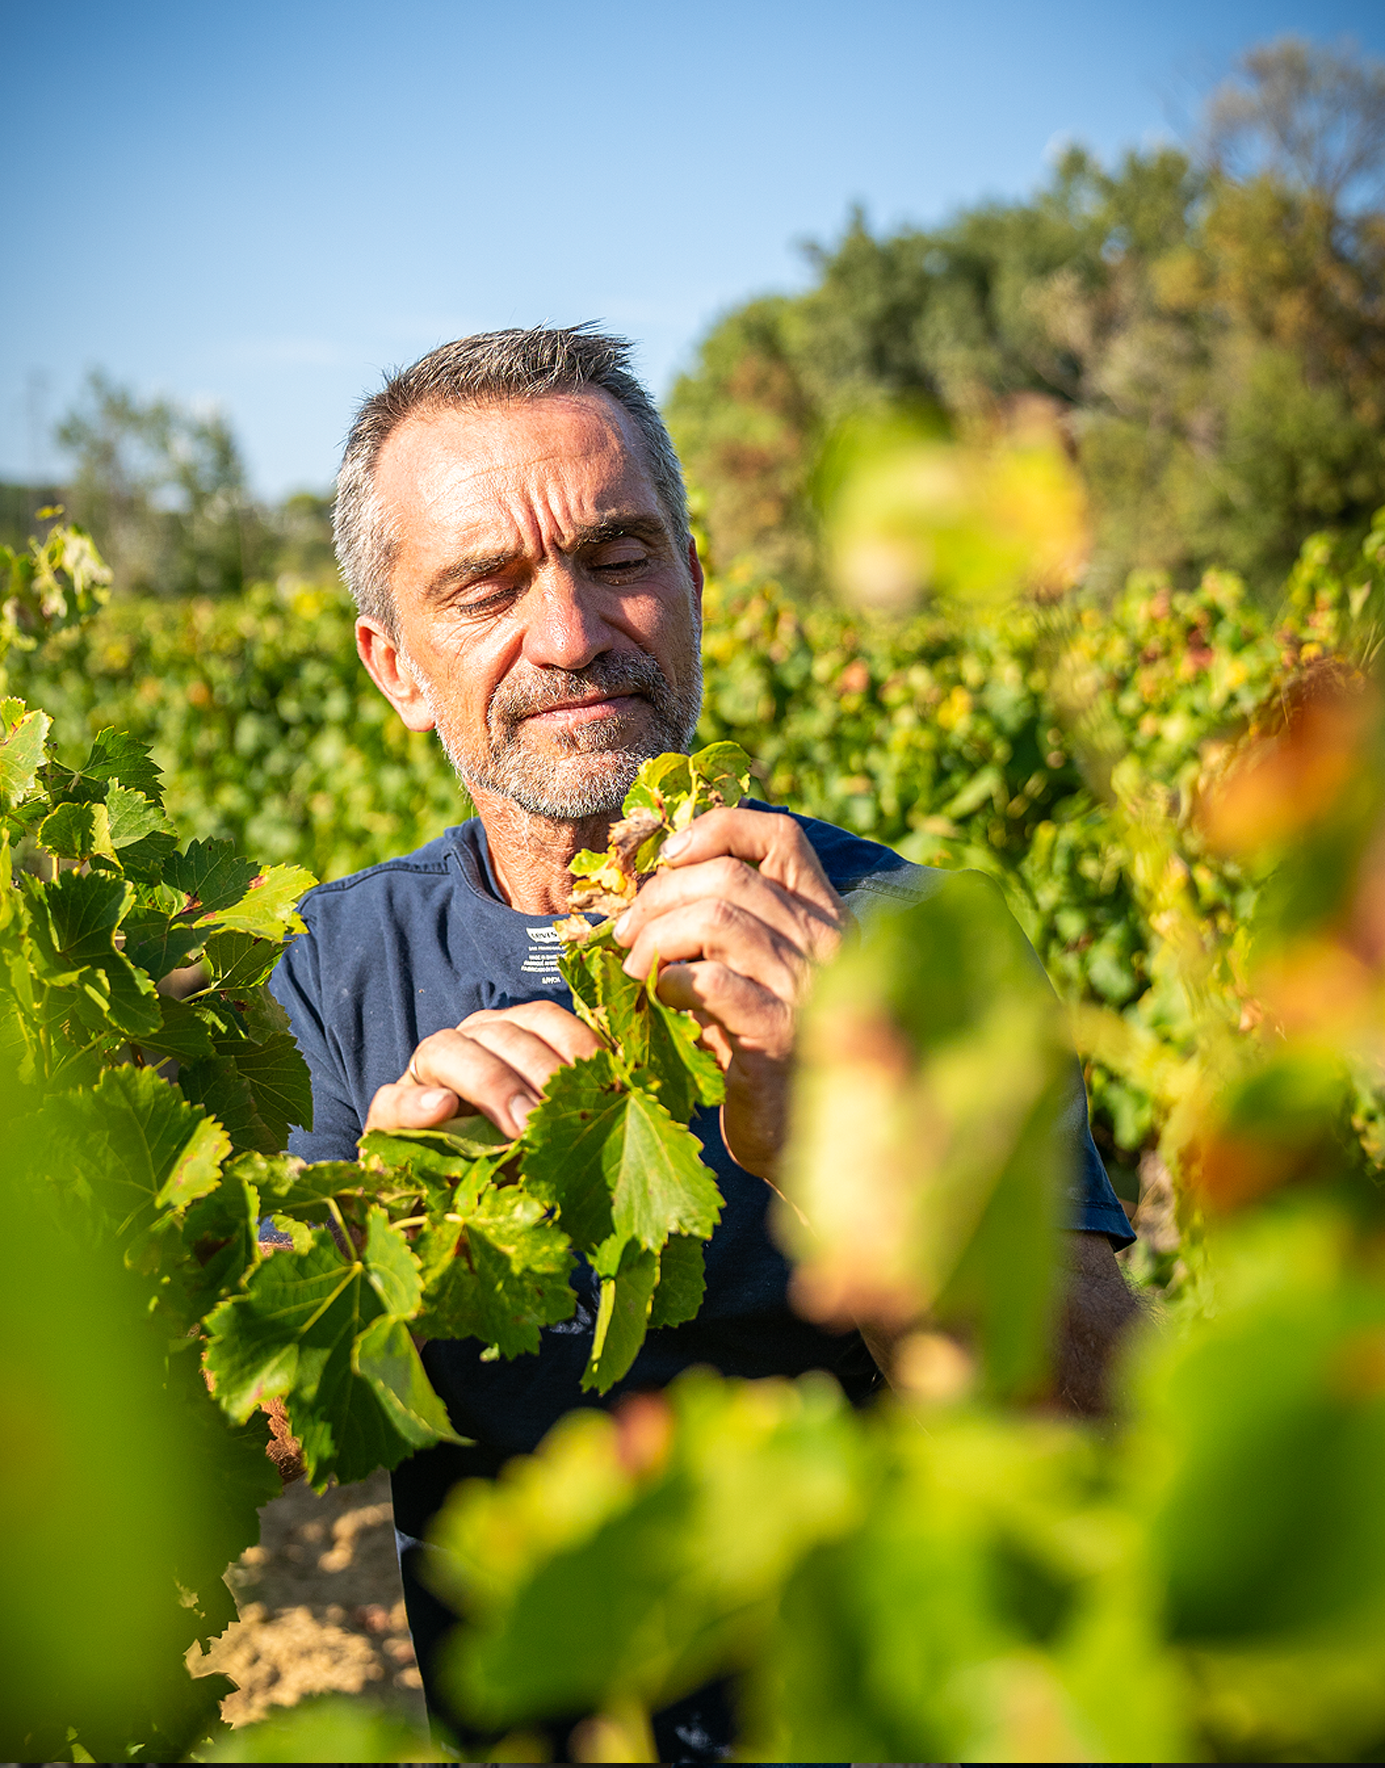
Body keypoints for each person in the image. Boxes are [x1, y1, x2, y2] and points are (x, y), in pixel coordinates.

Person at [270, 324, 1136, 1760]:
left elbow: (1109, 1420)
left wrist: (856, 1140)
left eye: (618, 556)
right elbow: (262, 1454)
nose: (571, 633)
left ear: (695, 578)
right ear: (395, 668)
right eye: (486, 587)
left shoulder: (914, 934)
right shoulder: (332, 969)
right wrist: (380, 1242)